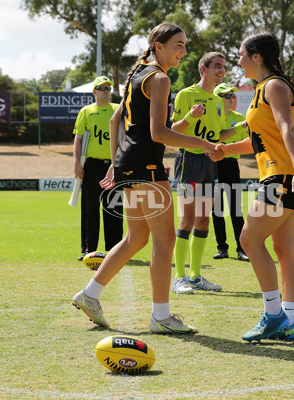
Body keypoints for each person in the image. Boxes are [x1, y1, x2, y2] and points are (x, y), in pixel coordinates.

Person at [72, 23, 220, 334]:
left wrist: (116, 163)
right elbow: (157, 134)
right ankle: (161, 317)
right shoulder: (160, 78)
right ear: (158, 46)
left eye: (184, 44)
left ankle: (89, 295)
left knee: (136, 238)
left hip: (131, 165)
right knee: (164, 240)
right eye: (178, 45)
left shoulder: (140, 74)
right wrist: (205, 144)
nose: (183, 51)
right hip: (147, 167)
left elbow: (117, 121)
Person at [212, 31, 294, 343]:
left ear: (257, 56)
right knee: (285, 250)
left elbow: (286, 130)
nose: (238, 60)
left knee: (248, 239)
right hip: (283, 174)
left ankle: (273, 315)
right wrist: (224, 149)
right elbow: (261, 140)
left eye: (241, 54)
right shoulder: (261, 89)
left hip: (283, 176)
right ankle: (290, 322)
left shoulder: (273, 85)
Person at [170, 52, 239, 294]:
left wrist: (241, 127)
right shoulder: (186, 95)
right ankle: (179, 278)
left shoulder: (219, 102)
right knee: (187, 219)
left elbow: (218, 136)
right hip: (189, 160)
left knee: (203, 219)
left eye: (224, 67)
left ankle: (196, 276)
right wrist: (190, 116)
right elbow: (173, 130)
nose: (221, 71)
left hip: (210, 163)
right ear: (203, 68)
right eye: (217, 66)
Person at [73, 76, 123, 261]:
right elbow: (78, 139)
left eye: (108, 88)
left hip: (114, 166)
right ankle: (88, 249)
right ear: (94, 91)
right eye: (101, 88)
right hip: (92, 166)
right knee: (90, 209)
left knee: (114, 208)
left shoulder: (118, 109)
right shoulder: (86, 111)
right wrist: (77, 163)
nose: (105, 90)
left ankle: (115, 250)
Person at [211, 83, 249, 262]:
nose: (231, 98)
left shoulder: (240, 118)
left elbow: (244, 143)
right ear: (218, 97)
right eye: (227, 96)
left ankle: (242, 249)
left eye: (232, 96)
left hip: (232, 165)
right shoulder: (211, 117)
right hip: (213, 165)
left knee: (236, 210)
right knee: (217, 209)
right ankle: (222, 248)